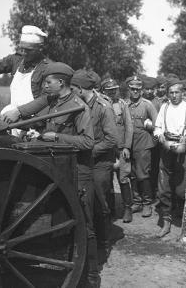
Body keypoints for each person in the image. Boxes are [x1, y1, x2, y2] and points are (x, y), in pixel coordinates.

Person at [13, 62, 100, 287]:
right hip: (59, 170)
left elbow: (88, 142)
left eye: (48, 82)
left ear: (61, 83)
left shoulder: (79, 106)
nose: (44, 86)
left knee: (85, 224)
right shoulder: (53, 102)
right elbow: (39, 119)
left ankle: (91, 277)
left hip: (79, 172)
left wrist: (56, 137)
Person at [70, 69, 118, 255]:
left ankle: (104, 243)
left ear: (81, 89)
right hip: (84, 160)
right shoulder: (77, 104)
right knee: (85, 202)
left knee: (100, 202)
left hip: (100, 162)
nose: (71, 91)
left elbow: (112, 139)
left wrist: (90, 150)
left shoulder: (103, 107)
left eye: (73, 88)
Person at [0, 25, 51, 126]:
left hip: (32, 125)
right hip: (11, 120)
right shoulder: (16, 60)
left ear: (40, 48)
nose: (24, 53)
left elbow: (45, 101)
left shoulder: (47, 68)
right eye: (22, 48)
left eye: (29, 50)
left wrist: (19, 114)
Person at [154, 79, 186, 237]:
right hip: (167, 149)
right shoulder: (164, 107)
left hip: (185, 152)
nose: (174, 95)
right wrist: (160, 135)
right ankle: (166, 223)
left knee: (183, 189)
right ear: (167, 94)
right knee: (164, 188)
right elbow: (157, 127)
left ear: (182, 93)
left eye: (177, 92)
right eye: (171, 93)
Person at [100, 77, 134, 223]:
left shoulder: (122, 105)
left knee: (123, 178)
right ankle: (110, 209)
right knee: (106, 179)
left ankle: (128, 208)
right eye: (109, 91)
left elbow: (129, 126)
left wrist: (127, 146)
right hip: (106, 148)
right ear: (103, 91)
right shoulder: (100, 105)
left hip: (121, 148)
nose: (112, 93)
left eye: (114, 90)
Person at [126, 76, 158, 217]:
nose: (135, 92)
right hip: (129, 143)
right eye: (132, 89)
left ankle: (147, 203)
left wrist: (149, 125)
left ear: (141, 90)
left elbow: (158, 125)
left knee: (143, 174)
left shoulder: (147, 105)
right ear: (128, 89)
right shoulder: (124, 104)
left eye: (138, 89)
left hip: (143, 143)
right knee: (132, 174)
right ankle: (137, 202)